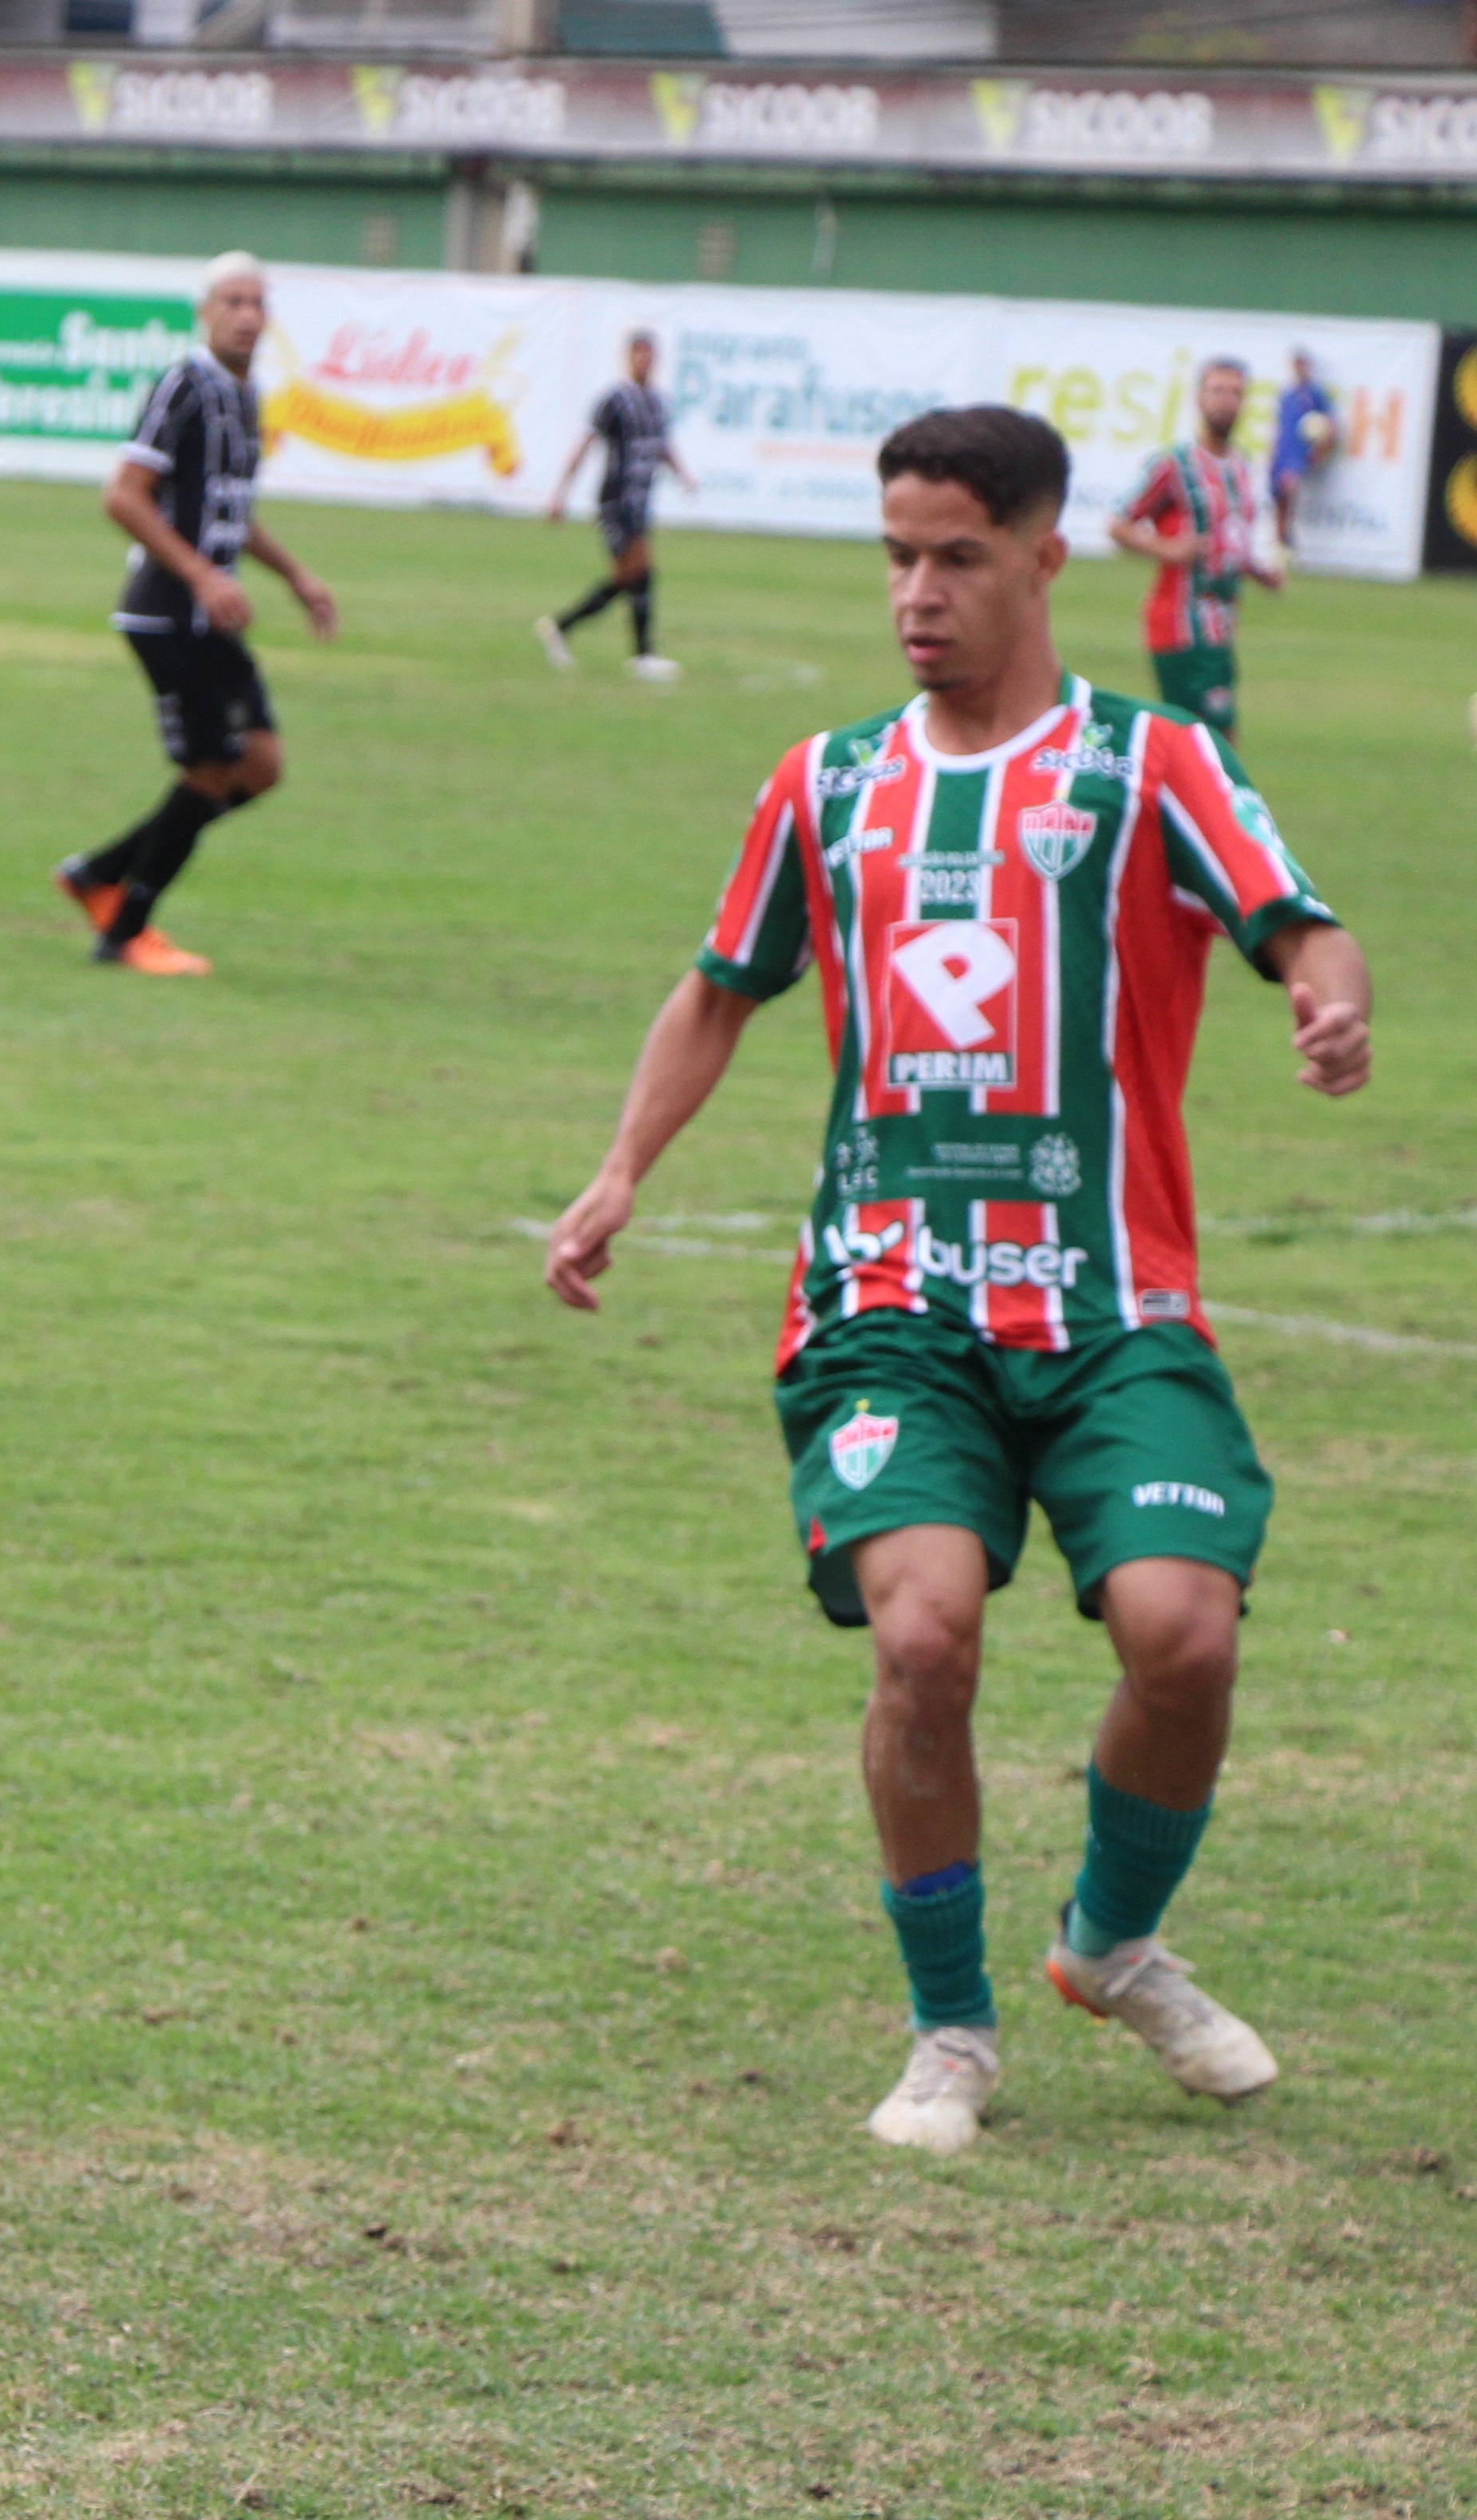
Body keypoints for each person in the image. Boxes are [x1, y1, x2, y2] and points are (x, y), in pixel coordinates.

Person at [541, 406, 1370, 2158]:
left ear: (1042, 557)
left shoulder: (1149, 769)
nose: (914, 593)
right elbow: (717, 988)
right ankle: (949, 2034)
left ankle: (1108, 1941)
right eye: (895, 558)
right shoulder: (826, 782)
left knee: (1182, 1633)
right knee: (919, 1639)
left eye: (954, 558)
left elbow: (1298, 918)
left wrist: (1324, 991)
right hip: (886, 1308)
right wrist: (620, 1170)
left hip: (1103, 1306)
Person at [53, 250, 336, 979]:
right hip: (167, 614)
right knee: (211, 770)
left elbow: (230, 514)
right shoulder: (183, 384)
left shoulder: (247, 397)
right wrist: (201, 576)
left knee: (260, 765)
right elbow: (123, 495)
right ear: (204, 311)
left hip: (215, 614)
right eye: (231, 302)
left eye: (256, 303)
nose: (245, 315)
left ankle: (100, 874)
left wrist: (296, 576)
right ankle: (126, 930)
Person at [1107, 356, 1282, 745]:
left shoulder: (1242, 467)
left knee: (1208, 745)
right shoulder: (1175, 465)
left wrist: (1260, 570)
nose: (1226, 401)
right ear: (1199, 398)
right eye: (1217, 391)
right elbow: (1118, 523)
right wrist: (1166, 548)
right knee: (1209, 745)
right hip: (1180, 624)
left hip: (1221, 625)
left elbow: (1233, 541)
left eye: (1235, 392)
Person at [534, 329, 696, 682]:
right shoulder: (614, 401)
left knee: (630, 576)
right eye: (638, 354)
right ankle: (642, 655)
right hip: (615, 501)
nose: (645, 361)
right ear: (628, 358)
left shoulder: (657, 402)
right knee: (640, 570)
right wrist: (559, 495)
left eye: (650, 355)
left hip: (641, 501)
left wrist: (683, 474)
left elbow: (661, 446)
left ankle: (562, 627)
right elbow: (585, 444)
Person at [1268, 348, 1335, 553]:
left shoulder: (1315, 393)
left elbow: (1329, 424)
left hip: (1297, 455)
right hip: (1282, 453)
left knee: (1289, 489)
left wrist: (1320, 449)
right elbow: (1280, 425)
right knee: (1278, 495)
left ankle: (1286, 539)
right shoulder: (1287, 393)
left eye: (1302, 364)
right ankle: (1280, 541)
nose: (1298, 368)